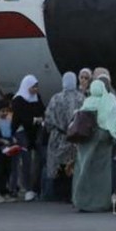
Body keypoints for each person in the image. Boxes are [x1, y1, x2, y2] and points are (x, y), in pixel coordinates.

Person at [71, 80, 116, 212]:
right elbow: (115, 121)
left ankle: (81, 201)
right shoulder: (109, 100)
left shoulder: (87, 102)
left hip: (85, 139)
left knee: (84, 169)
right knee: (102, 173)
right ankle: (100, 202)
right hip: (103, 139)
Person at [43, 72, 84, 202]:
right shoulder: (81, 98)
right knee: (73, 165)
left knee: (58, 165)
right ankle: (72, 193)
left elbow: (48, 119)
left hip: (58, 136)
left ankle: (58, 194)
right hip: (75, 137)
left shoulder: (56, 98)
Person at [0, 99, 17, 204]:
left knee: (7, 170)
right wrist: (2, 140)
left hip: (8, 146)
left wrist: (12, 139)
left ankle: (4, 192)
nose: (5, 113)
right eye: (2, 111)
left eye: (6, 111)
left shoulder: (9, 120)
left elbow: (10, 132)